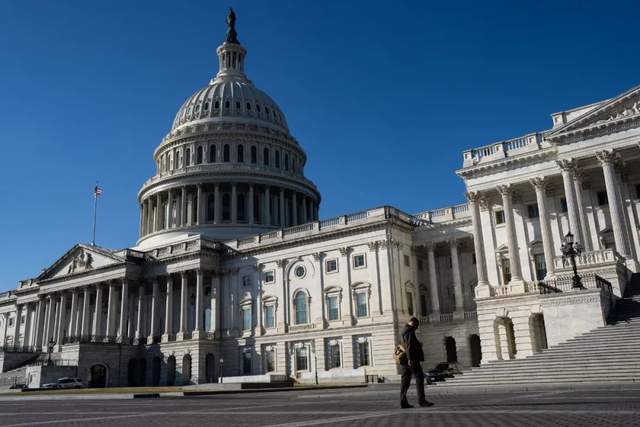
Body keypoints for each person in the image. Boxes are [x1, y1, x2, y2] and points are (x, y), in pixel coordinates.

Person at [400, 317, 434, 409]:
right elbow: (409, 345)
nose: (417, 327)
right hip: (411, 359)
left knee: (405, 381)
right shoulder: (409, 330)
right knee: (419, 377)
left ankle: (403, 402)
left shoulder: (405, 330)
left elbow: (408, 344)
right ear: (413, 323)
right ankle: (421, 401)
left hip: (404, 360)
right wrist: (410, 359)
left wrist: (418, 344)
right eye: (417, 325)